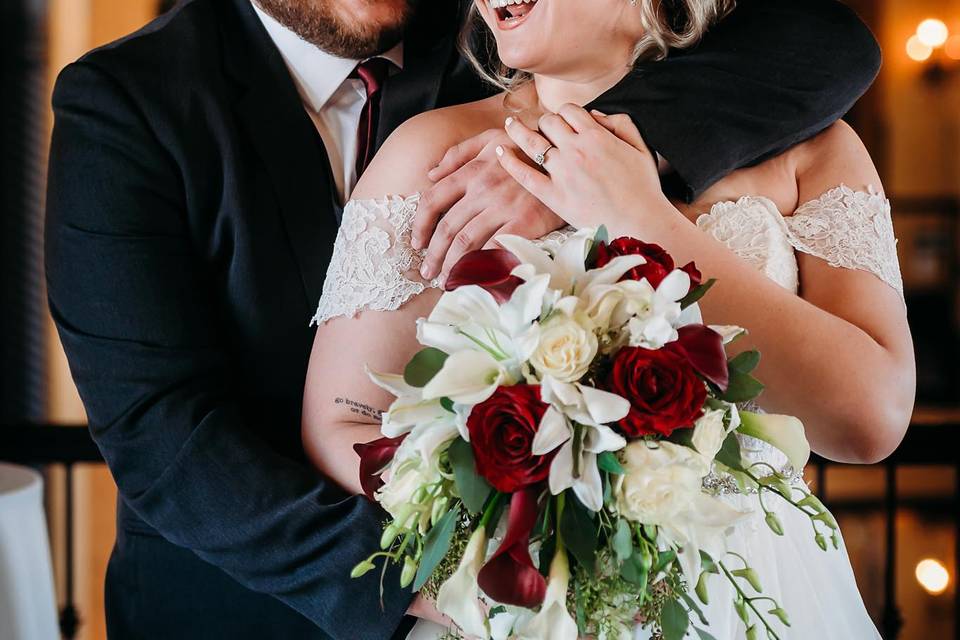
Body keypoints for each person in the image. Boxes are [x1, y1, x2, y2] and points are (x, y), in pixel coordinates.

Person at [45, 0, 882, 638]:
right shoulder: (128, 102)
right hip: (251, 601)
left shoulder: (491, 30)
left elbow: (827, 40)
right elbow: (163, 434)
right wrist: (486, 581)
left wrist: (591, 154)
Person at [303, 0, 915, 638]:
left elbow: (870, 421)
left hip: (755, 594)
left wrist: (637, 214)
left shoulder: (815, 147)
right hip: (531, 604)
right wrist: (500, 534)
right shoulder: (436, 155)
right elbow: (341, 421)